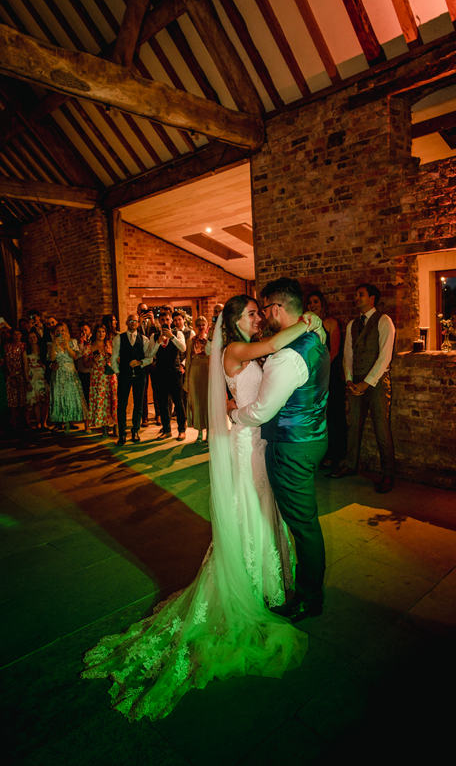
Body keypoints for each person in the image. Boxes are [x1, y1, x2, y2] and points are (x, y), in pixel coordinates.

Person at [81, 294, 318, 719]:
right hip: (247, 443)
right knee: (249, 508)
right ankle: (252, 584)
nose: (258, 318)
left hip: (259, 439)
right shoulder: (236, 349)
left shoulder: (248, 346)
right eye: (252, 313)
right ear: (235, 320)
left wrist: (236, 404)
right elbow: (268, 349)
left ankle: (269, 581)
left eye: (259, 312)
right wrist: (309, 322)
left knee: (263, 508)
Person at [229, 278, 330, 622]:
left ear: (275, 309)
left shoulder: (285, 357)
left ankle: (309, 598)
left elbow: (261, 412)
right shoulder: (316, 338)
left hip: (290, 448)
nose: (261, 317)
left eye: (263, 310)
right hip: (314, 437)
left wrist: (233, 414)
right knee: (303, 521)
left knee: (303, 526)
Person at [330, 284, 395, 493]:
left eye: (361, 294)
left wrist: (366, 382)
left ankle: (388, 473)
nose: (356, 297)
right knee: (353, 426)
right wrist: (349, 380)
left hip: (376, 383)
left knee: (381, 428)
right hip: (355, 382)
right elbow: (347, 355)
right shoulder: (352, 324)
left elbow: (385, 356)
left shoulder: (384, 321)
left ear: (372, 298)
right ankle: (350, 465)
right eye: (356, 294)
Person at [306, 290, 345, 470]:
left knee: (334, 415)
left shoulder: (331, 323)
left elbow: (334, 351)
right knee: (319, 416)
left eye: (315, 301)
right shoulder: (306, 325)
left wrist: (320, 370)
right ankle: (324, 454)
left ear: (322, 303)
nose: (312, 305)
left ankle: (337, 455)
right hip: (313, 376)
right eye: (309, 303)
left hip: (330, 375)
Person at [112, 314, 153, 445]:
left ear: (138, 323)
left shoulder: (144, 339)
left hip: (139, 375)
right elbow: (114, 358)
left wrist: (140, 362)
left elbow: (150, 358)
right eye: (130, 321)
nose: (133, 323)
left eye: (135, 321)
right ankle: (122, 434)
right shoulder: (119, 338)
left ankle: (135, 431)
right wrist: (118, 372)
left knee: (138, 404)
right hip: (124, 375)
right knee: (122, 405)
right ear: (126, 322)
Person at [48, 322, 87, 432]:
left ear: (66, 332)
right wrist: (54, 345)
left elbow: (74, 356)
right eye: (58, 331)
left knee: (71, 396)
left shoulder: (72, 342)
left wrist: (66, 346)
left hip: (70, 372)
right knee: (59, 397)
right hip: (58, 373)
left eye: (62, 330)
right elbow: (51, 358)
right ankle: (59, 422)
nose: (60, 333)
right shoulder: (52, 344)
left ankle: (71, 420)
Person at [85, 324, 117, 438]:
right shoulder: (89, 346)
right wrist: (93, 360)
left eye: (103, 331)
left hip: (110, 375)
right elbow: (85, 363)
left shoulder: (110, 344)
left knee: (113, 400)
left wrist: (111, 354)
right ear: (95, 333)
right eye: (99, 331)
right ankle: (104, 427)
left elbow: (117, 360)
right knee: (101, 402)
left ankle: (116, 426)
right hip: (97, 377)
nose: (101, 333)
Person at [184, 316, 211, 443]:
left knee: (207, 402)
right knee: (196, 402)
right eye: (198, 324)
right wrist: (186, 380)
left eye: (203, 324)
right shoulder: (190, 341)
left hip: (207, 372)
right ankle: (199, 432)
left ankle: (209, 432)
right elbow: (188, 361)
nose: (201, 327)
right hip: (194, 372)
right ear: (195, 326)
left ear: (207, 326)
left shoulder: (210, 341)